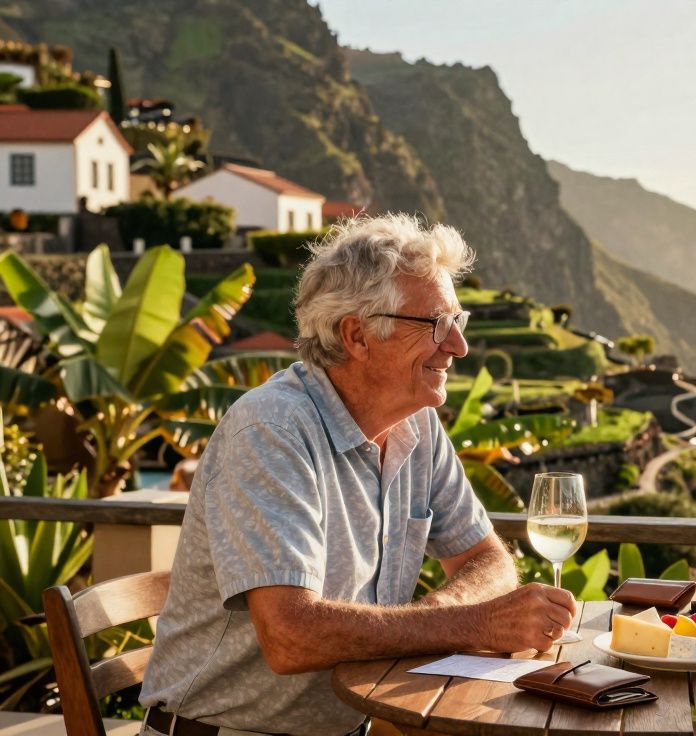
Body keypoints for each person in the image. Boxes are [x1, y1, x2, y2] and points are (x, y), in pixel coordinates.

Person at [140, 214, 576, 736]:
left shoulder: (418, 425)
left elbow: (488, 561)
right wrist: (473, 622)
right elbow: (291, 637)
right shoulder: (271, 430)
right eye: (437, 325)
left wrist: (442, 612)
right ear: (357, 335)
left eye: (457, 322)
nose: (457, 346)